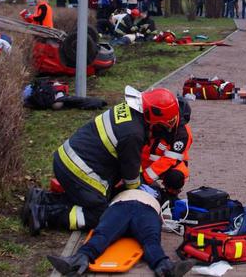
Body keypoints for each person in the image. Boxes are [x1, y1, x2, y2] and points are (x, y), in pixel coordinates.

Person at [21, 87, 182, 235]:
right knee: (102, 213)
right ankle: (43, 215)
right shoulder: (134, 134)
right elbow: (131, 181)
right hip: (79, 169)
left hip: (67, 159)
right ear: (155, 117)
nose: (164, 129)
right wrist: (143, 190)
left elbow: (129, 160)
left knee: (95, 198)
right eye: (165, 124)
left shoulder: (130, 112)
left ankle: (40, 198)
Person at [46, 186, 196, 277]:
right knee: (103, 234)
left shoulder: (160, 190)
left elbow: (177, 204)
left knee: (151, 240)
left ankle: (166, 267)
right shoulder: (120, 179)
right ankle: (78, 260)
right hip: (120, 205)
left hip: (146, 209)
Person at [141, 97, 193, 197]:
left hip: (165, 165)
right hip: (145, 159)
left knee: (176, 177)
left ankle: (171, 196)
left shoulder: (182, 135)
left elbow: (168, 160)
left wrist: (144, 178)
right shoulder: (155, 119)